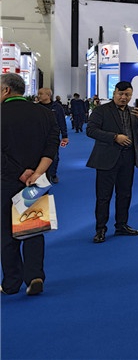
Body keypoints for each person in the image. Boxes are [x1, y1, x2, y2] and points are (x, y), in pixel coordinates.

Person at [1, 73, 59, 296]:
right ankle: (35, 276)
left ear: (6, 90)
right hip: (36, 181)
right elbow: (52, 146)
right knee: (34, 227)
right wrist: (37, 173)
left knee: (6, 232)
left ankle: (11, 283)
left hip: (6, 180)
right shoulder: (45, 114)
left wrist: (19, 172)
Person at [86, 81, 138, 243]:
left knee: (125, 194)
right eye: (120, 94)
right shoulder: (101, 110)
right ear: (114, 94)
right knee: (103, 196)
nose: (123, 97)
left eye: (127, 94)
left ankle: (121, 225)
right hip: (106, 159)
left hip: (128, 158)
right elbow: (91, 130)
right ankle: (100, 229)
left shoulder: (133, 112)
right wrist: (114, 137)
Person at [36, 88, 69, 184]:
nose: (39, 96)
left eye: (41, 94)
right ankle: (41, 175)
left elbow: (62, 121)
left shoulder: (57, 107)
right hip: (38, 136)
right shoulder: (36, 107)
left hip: (53, 136)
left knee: (54, 157)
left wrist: (65, 135)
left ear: (48, 95)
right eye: (38, 94)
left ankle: (53, 174)